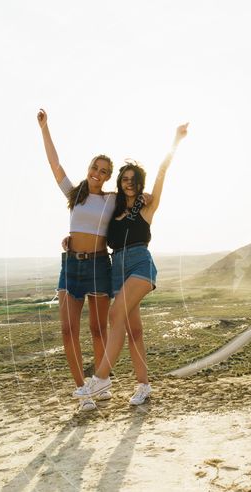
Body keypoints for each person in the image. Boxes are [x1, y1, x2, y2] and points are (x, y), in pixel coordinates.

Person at [37, 109, 150, 412]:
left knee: (99, 330)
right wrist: (45, 128)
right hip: (71, 265)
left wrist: (147, 191)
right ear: (88, 169)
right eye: (94, 168)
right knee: (66, 330)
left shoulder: (111, 199)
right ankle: (82, 391)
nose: (97, 174)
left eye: (103, 171)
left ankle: (102, 383)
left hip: (100, 264)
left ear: (108, 177)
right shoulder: (74, 195)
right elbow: (54, 164)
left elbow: (135, 195)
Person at [73, 123, 189, 405]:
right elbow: (93, 228)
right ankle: (143, 385)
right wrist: (70, 239)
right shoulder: (113, 209)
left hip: (140, 265)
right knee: (133, 330)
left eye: (132, 178)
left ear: (139, 182)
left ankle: (100, 379)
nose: (127, 181)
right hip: (117, 267)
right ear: (119, 182)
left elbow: (162, 173)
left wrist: (176, 139)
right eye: (124, 178)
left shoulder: (147, 207)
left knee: (115, 316)